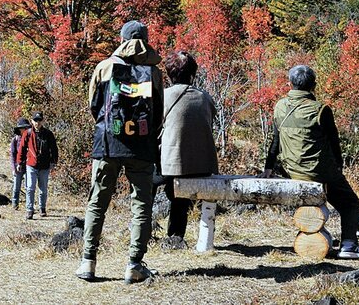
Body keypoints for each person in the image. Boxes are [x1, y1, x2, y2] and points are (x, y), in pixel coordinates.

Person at [261, 65, 359, 259]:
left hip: (292, 170)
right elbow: (334, 143)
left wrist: (268, 167)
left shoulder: (280, 106)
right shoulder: (321, 110)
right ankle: (349, 245)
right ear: (313, 86)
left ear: (289, 84)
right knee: (350, 202)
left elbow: (275, 139)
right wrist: (339, 167)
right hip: (318, 170)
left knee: (338, 195)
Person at [77, 20, 164, 284]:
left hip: (107, 144)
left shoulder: (104, 67)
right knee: (141, 205)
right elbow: (158, 113)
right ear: (146, 40)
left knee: (97, 202)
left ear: (122, 38)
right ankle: (134, 264)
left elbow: (94, 106)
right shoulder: (154, 72)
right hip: (142, 147)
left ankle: (87, 263)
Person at [154, 50, 219, 246]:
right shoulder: (205, 98)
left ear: (169, 74)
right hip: (202, 165)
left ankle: (144, 230)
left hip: (170, 164)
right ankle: (176, 236)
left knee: (148, 182)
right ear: (193, 74)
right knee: (179, 195)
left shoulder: (162, 97)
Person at [16, 111, 58, 219]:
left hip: (44, 166)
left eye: (39, 120)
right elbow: (21, 149)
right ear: (31, 121)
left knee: (43, 189)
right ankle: (29, 210)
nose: (37, 123)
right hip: (31, 165)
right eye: (35, 120)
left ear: (43, 121)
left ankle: (42, 208)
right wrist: (19, 162)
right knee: (30, 187)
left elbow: (54, 149)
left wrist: (54, 162)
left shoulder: (48, 134)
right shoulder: (28, 133)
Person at [10, 117, 31, 210]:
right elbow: (13, 155)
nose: (24, 130)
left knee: (28, 187)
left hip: (29, 166)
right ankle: (15, 203)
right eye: (23, 128)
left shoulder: (31, 139)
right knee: (16, 186)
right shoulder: (15, 140)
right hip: (18, 166)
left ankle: (28, 204)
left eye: (26, 128)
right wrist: (14, 168)